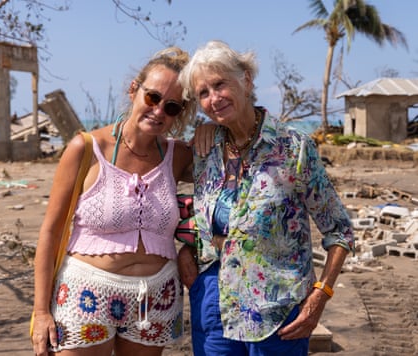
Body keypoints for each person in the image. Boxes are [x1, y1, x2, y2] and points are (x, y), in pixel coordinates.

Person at [177, 40, 354, 356]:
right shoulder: (205, 149)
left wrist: (320, 295)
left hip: (278, 309)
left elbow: (339, 231)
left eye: (220, 85)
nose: (213, 99)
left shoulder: (292, 148)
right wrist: (187, 251)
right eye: (203, 93)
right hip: (213, 303)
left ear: (245, 80)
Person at [31, 46, 196, 356]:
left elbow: (233, 168)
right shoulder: (86, 148)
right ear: (134, 90)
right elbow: (50, 232)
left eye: (172, 107)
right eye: (153, 98)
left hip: (157, 298)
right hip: (86, 293)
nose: (159, 111)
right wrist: (41, 312)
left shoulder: (179, 156)